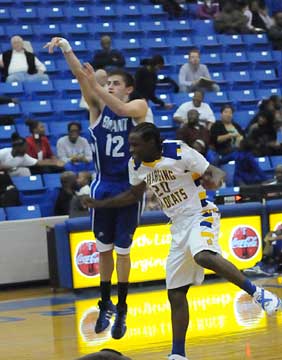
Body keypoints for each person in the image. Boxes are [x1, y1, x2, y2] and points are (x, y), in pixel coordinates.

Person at [81, 122, 281, 360]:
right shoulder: (135, 165)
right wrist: (100, 205)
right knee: (175, 293)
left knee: (203, 255)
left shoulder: (178, 151)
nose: (131, 149)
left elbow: (215, 172)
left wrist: (215, 179)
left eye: (136, 144)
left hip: (201, 213)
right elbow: (134, 195)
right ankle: (178, 354)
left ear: (152, 142)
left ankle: (259, 294)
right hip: (178, 226)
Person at [45, 37, 147, 340]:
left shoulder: (139, 107)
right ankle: (105, 304)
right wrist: (66, 48)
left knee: (123, 251)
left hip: (129, 188)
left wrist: (97, 83)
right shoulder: (97, 108)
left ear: (128, 88)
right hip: (103, 187)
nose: (111, 86)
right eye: (109, 83)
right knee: (104, 250)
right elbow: (82, 76)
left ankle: (123, 307)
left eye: (116, 82)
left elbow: (116, 103)